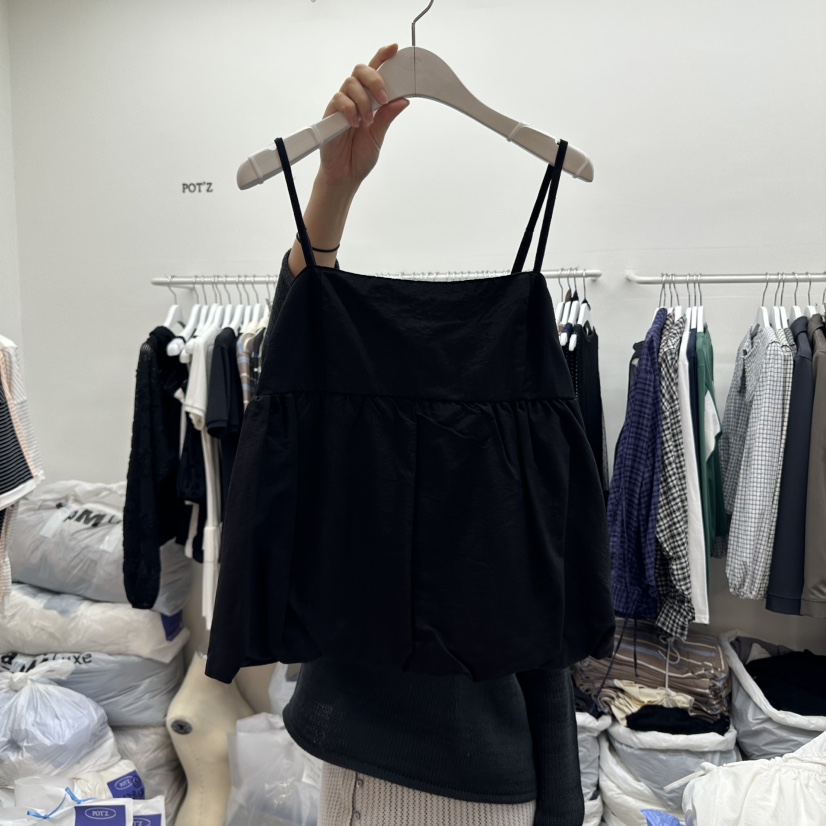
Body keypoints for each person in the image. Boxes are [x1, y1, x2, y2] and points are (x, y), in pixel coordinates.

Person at [266, 44, 588, 826]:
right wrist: (335, 184)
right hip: (384, 751)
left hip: (457, 770)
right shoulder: (332, 383)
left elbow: (548, 596)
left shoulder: (529, 384)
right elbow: (298, 355)